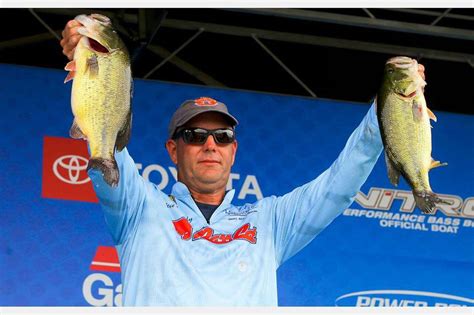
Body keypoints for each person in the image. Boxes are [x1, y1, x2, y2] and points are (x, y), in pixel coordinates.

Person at [61, 18, 424, 306]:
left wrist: (390, 108)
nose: (209, 145)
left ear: (234, 150)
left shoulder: (269, 221)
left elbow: (340, 183)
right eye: (194, 135)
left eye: (222, 137)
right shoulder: (139, 208)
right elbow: (105, 136)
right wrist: (90, 54)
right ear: (173, 149)